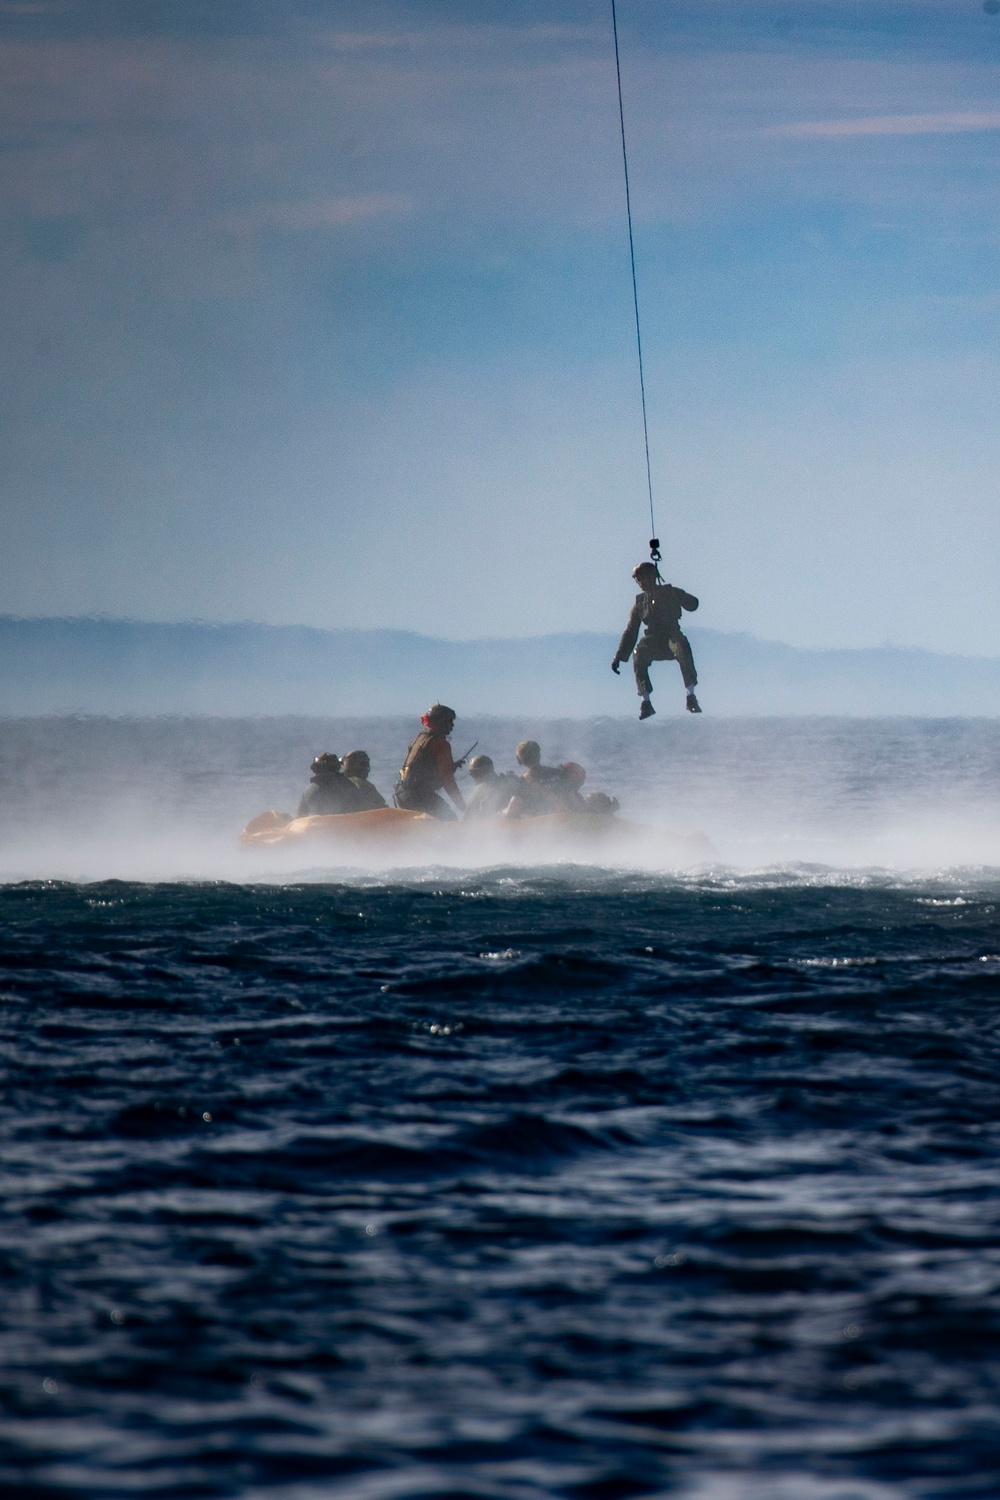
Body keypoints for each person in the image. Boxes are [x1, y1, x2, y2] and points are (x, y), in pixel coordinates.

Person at [612, 561, 701, 718]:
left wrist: (678, 595)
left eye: (643, 579)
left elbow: (693, 604)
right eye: (638, 580)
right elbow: (631, 630)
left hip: (671, 635)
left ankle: (691, 698)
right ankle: (645, 702)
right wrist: (619, 655)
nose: (641, 583)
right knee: (638, 653)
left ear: (652, 577)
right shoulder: (640, 603)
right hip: (652, 639)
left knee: (681, 648)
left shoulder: (670, 592)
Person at [394, 704, 466, 819]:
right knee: (449, 818)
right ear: (441, 722)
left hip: (402, 794)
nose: (452, 726)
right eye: (449, 722)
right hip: (419, 795)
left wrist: (451, 766)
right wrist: (461, 805)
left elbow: (418, 765)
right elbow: (447, 779)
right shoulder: (440, 743)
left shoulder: (420, 738)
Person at [296, 753, 364, 817]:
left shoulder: (308, 791)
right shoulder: (347, 785)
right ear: (336, 767)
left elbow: (299, 817)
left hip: (320, 828)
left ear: (316, 769)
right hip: (347, 827)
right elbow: (360, 809)